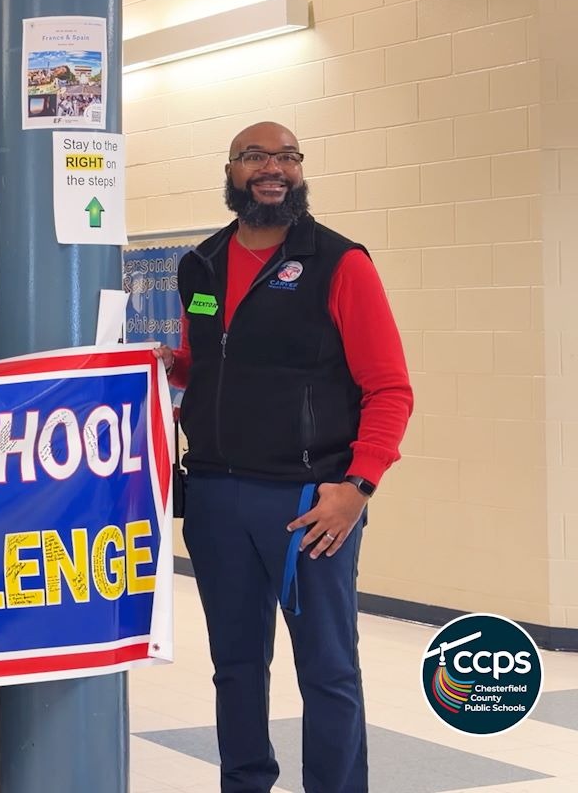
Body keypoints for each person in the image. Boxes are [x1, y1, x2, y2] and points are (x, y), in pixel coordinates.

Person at [156, 121, 411, 793]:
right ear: (232, 171)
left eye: (287, 158)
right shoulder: (201, 263)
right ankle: (245, 784)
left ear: (299, 171)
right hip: (214, 495)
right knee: (235, 666)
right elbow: (210, 362)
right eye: (256, 158)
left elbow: (389, 388)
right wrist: (166, 366)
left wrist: (358, 485)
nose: (273, 169)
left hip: (309, 502)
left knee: (327, 668)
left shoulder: (339, 261)